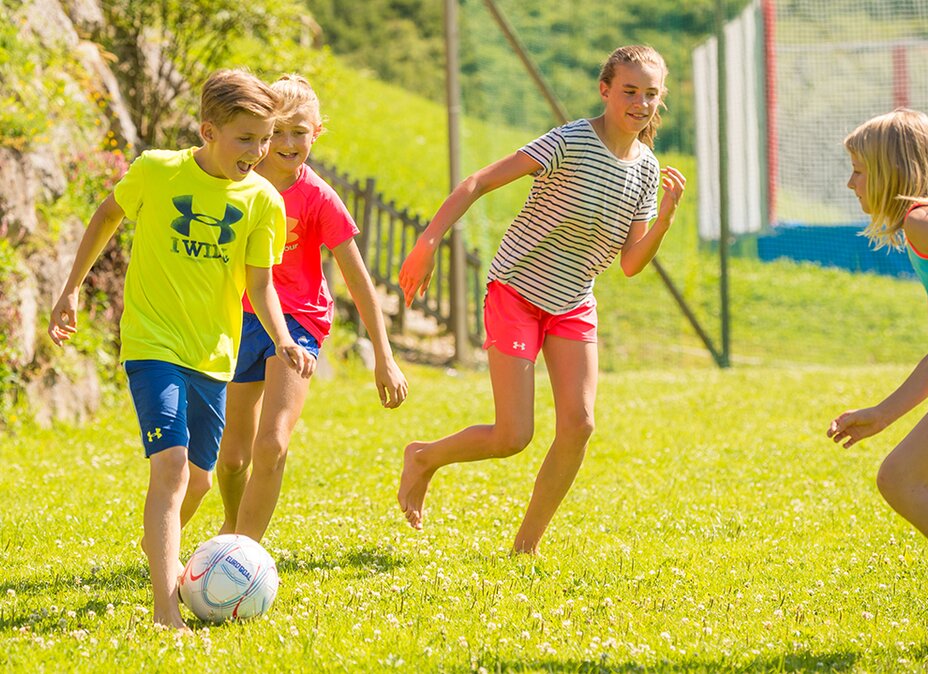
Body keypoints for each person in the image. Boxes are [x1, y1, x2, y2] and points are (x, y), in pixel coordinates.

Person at [48, 68, 314, 630]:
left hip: (213, 354)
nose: (259, 151)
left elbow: (260, 281)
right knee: (169, 467)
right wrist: (71, 289)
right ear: (207, 131)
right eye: (246, 139)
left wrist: (284, 338)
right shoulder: (156, 170)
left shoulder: (264, 200)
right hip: (153, 343)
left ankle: (161, 553)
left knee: (198, 478)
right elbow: (107, 214)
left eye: (265, 139)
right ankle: (165, 610)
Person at [396, 45, 686, 554]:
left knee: (580, 425)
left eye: (650, 95)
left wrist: (663, 219)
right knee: (513, 436)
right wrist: (429, 240)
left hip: (573, 301)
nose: (640, 103)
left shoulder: (646, 168)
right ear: (605, 90)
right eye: (630, 92)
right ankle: (423, 457)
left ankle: (525, 548)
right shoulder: (571, 140)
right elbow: (478, 181)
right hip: (516, 291)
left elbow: (631, 262)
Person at [216, 74, 408, 542]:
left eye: (298, 131)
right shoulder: (237, 183)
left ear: (316, 133)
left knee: (273, 441)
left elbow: (359, 282)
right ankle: (232, 522)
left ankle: (244, 553)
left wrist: (383, 357)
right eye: (276, 131)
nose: (286, 142)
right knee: (232, 456)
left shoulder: (320, 198)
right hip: (237, 317)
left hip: (299, 321)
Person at [827, 109, 928, 655]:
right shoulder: (924, 231)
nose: (851, 182)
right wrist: (882, 414)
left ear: (889, 171)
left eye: (859, 170)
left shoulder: (925, 221)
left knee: (898, 479)